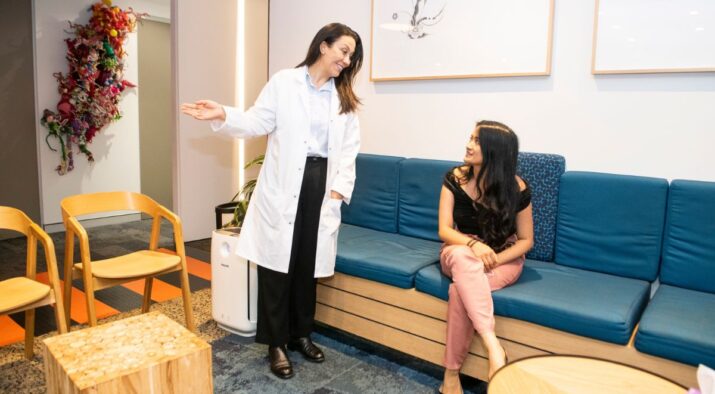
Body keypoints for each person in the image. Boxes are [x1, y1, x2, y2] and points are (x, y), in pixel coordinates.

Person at [181, 23, 363, 379]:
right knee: (277, 266)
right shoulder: (285, 83)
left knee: (306, 266)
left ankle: (300, 334)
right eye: (343, 51)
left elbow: (350, 150)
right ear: (323, 46)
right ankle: (276, 343)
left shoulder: (344, 98)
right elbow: (255, 121)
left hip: (321, 186)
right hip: (284, 185)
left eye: (352, 56)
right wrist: (223, 114)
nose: (347, 60)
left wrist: (339, 190)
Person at [437, 120, 533, 393]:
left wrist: (493, 258)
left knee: (460, 291)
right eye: (470, 137)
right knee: (461, 257)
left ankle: (451, 376)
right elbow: (444, 229)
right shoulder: (454, 177)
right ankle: (493, 345)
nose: (469, 144)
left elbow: (526, 241)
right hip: (459, 249)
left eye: (477, 141)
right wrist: (473, 246)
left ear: (495, 151)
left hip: (503, 257)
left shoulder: (517, 188)